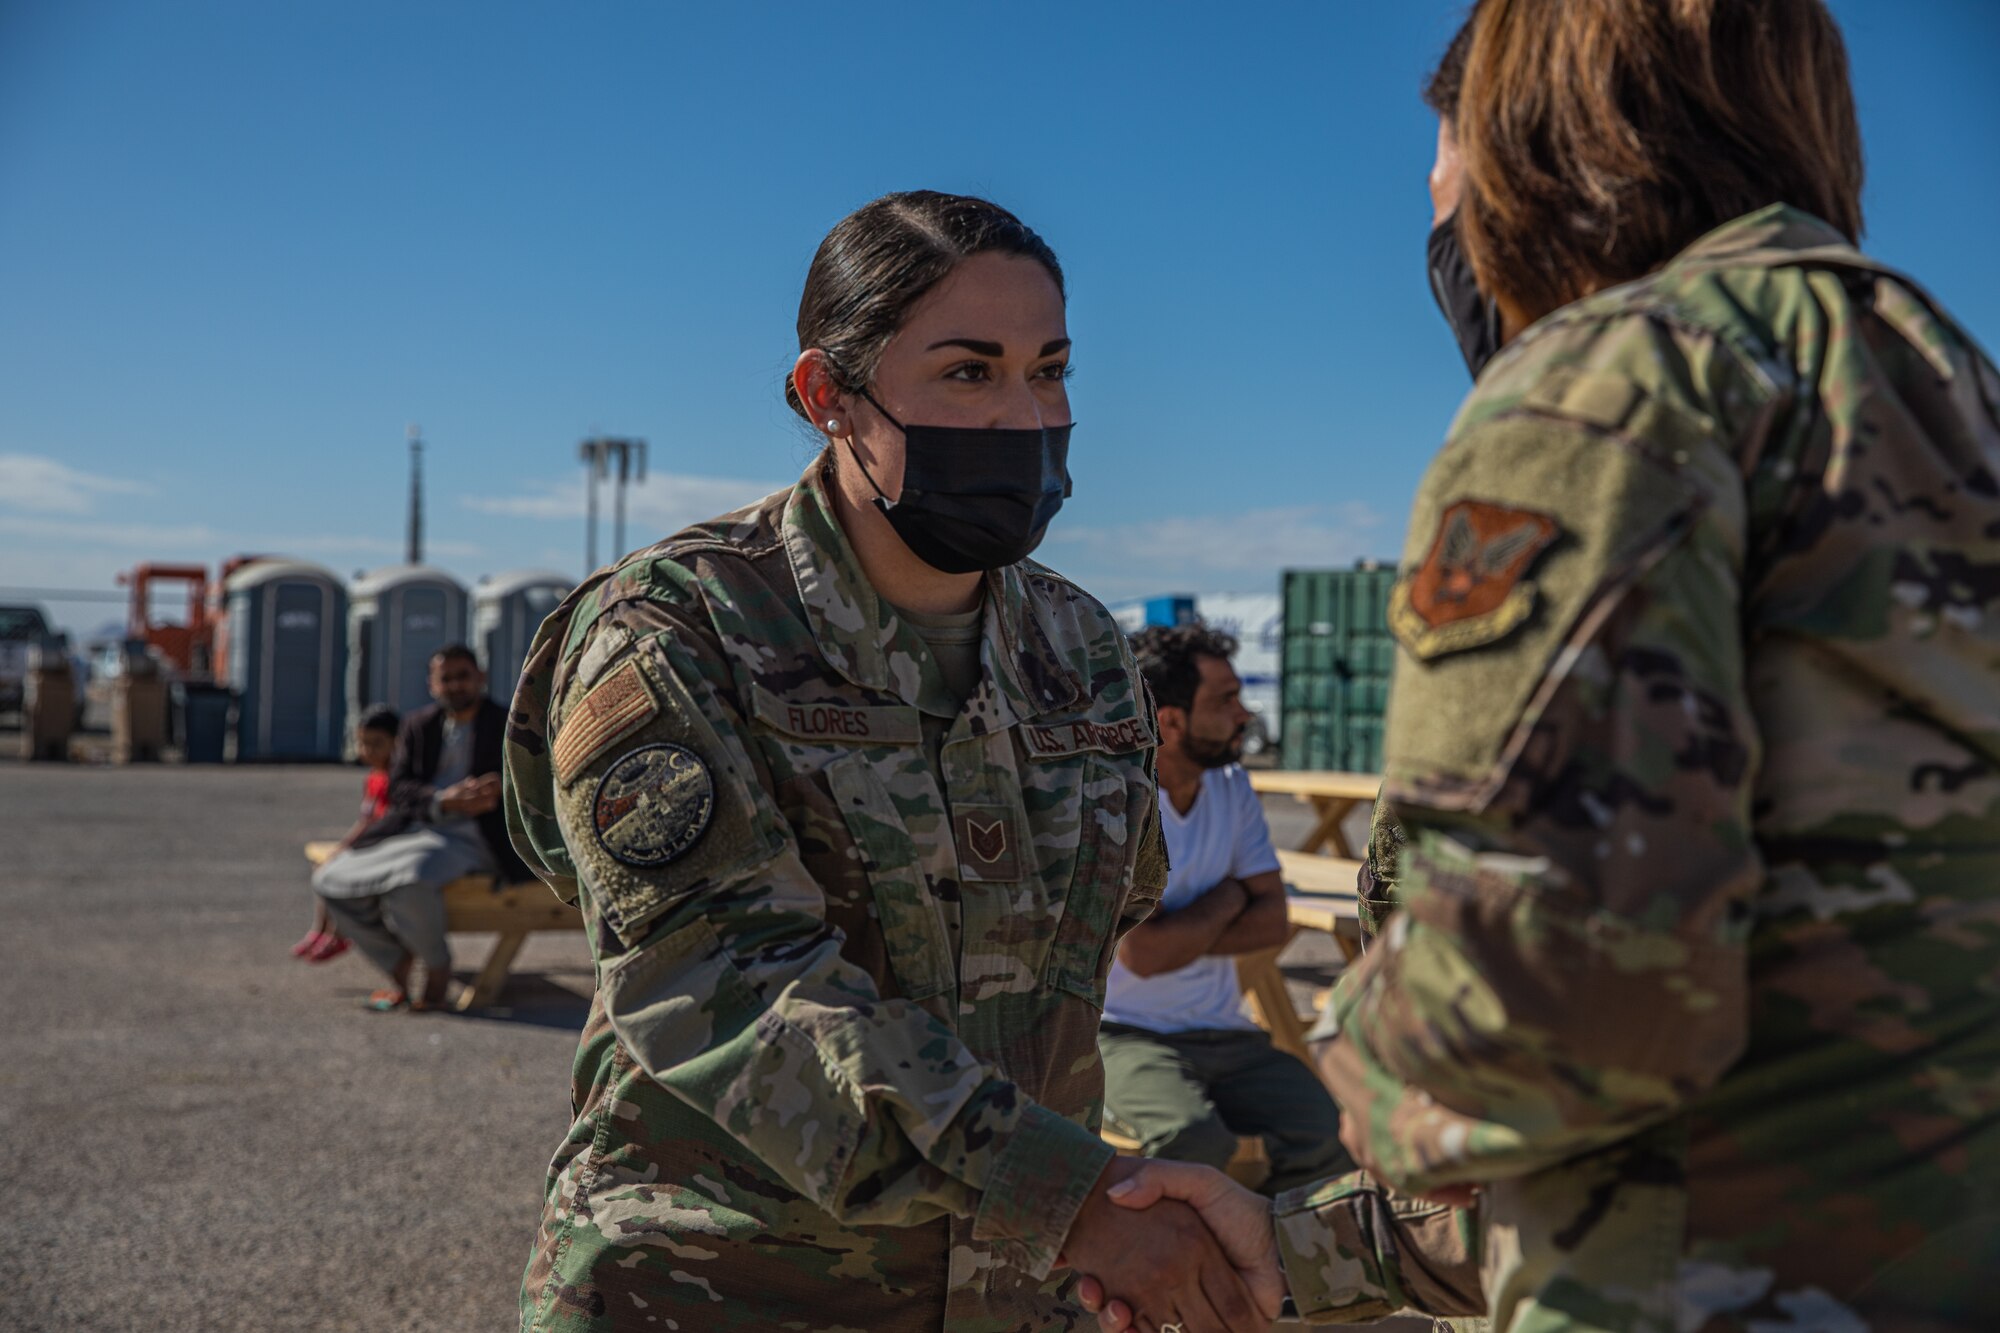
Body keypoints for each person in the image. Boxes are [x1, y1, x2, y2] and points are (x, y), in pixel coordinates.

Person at [1084, 0, 2000, 1329]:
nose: (1441, 213)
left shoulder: (1609, 385)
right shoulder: (1935, 376)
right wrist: (1298, 1245)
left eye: (1444, 167)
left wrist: (1368, 1065)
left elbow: (1542, 1019)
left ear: (1531, 137)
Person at [502, 191, 1277, 1332]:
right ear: (827, 396)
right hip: (722, 1290)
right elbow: (721, 989)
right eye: (969, 372)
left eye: (1049, 370)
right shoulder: (680, 624)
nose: (1025, 417)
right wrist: (1075, 1201)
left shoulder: (1083, 652)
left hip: (1021, 1296)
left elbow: (1092, 949)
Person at [1100, 623, 1352, 1195]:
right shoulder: (1118, 796)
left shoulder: (1232, 785)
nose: (1245, 714)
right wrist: (1232, 895)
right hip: (1121, 1034)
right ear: (1170, 721)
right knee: (1192, 1140)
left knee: (1329, 1129)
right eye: (1226, 700)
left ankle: (1282, 1267)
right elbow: (1144, 954)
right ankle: (1173, 1278)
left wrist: (1182, 928)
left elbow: (1273, 921)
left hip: (1225, 1034)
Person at [315, 645, 528, 1011]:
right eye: (446, 679)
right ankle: (396, 961)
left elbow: (535, 783)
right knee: (329, 880)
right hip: (416, 830)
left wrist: (498, 793)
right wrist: (443, 800)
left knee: (410, 880)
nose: (456, 685)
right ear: (432, 684)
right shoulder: (419, 725)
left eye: (463, 676)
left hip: (478, 838)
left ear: (481, 677)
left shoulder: (510, 725)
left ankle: (437, 968)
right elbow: (399, 787)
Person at [290, 703, 400, 963]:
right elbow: (365, 819)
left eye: (377, 743)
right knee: (323, 867)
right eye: (363, 743)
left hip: (383, 846)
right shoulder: (374, 777)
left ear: (397, 742)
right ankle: (320, 930)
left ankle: (338, 933)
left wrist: (347, 846)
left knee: (336, 873)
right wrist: (344, 844)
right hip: (369, 842)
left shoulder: (397, 780)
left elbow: (380, 824)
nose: (368, 751)